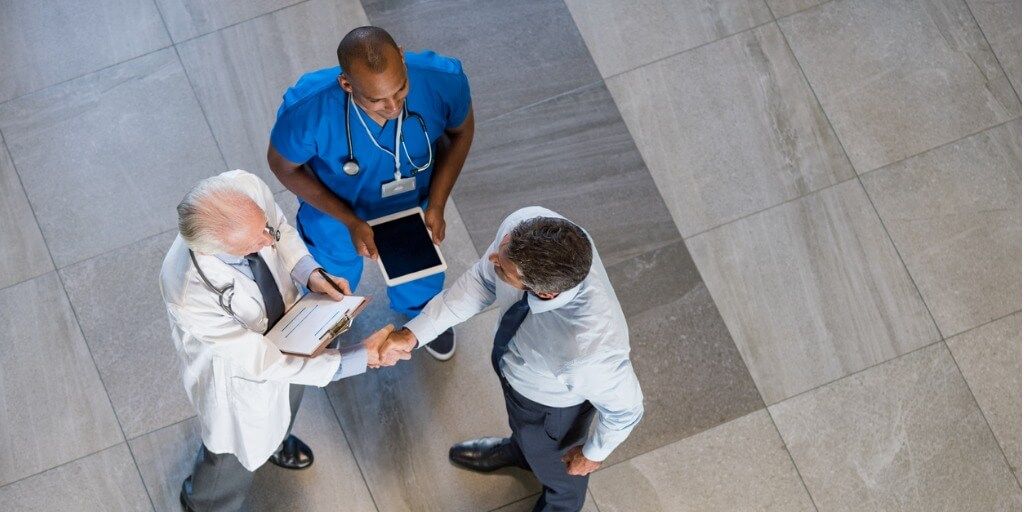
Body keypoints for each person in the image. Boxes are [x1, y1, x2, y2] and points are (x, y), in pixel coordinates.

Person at [160, 170, 402, 512]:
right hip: (241, 375)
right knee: (232, 454)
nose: (268, 241)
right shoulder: (189, 292)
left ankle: (276, 441)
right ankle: (203, 503)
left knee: (289, 397)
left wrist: (310, 273)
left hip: (291, 330)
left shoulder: (244, 190)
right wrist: (358, 358)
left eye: (262, 229)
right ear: (217, 250)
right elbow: (264, 361)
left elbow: (281, 229)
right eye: (253, 243)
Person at [378, 207, 645, 512]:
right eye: (501, 250)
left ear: (545, 293)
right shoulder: (525, 226)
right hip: (516, 366)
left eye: (504, 270)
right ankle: (521, 452)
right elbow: (482, 280)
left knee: (559, 471)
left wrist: (594, 453)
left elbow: (627, 410)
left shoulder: (592, 351)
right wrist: (412, 334)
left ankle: (560, 504)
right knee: (525, 431)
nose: (493, 259)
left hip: (551, 408)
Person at [267, 25, 474, 361]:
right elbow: (283, 166)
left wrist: (437, 203)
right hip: (336, 211)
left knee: (420, 270)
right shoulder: (307, 110)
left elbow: (461, 131)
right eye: (377, 100)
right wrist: (349, 220)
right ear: (347, 85)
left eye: (401, 89)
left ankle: (422, 317)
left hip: (411, 202)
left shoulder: (442, 79)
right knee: (332, 276)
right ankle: (330, 320)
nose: (393, 106)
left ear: (403, 59)